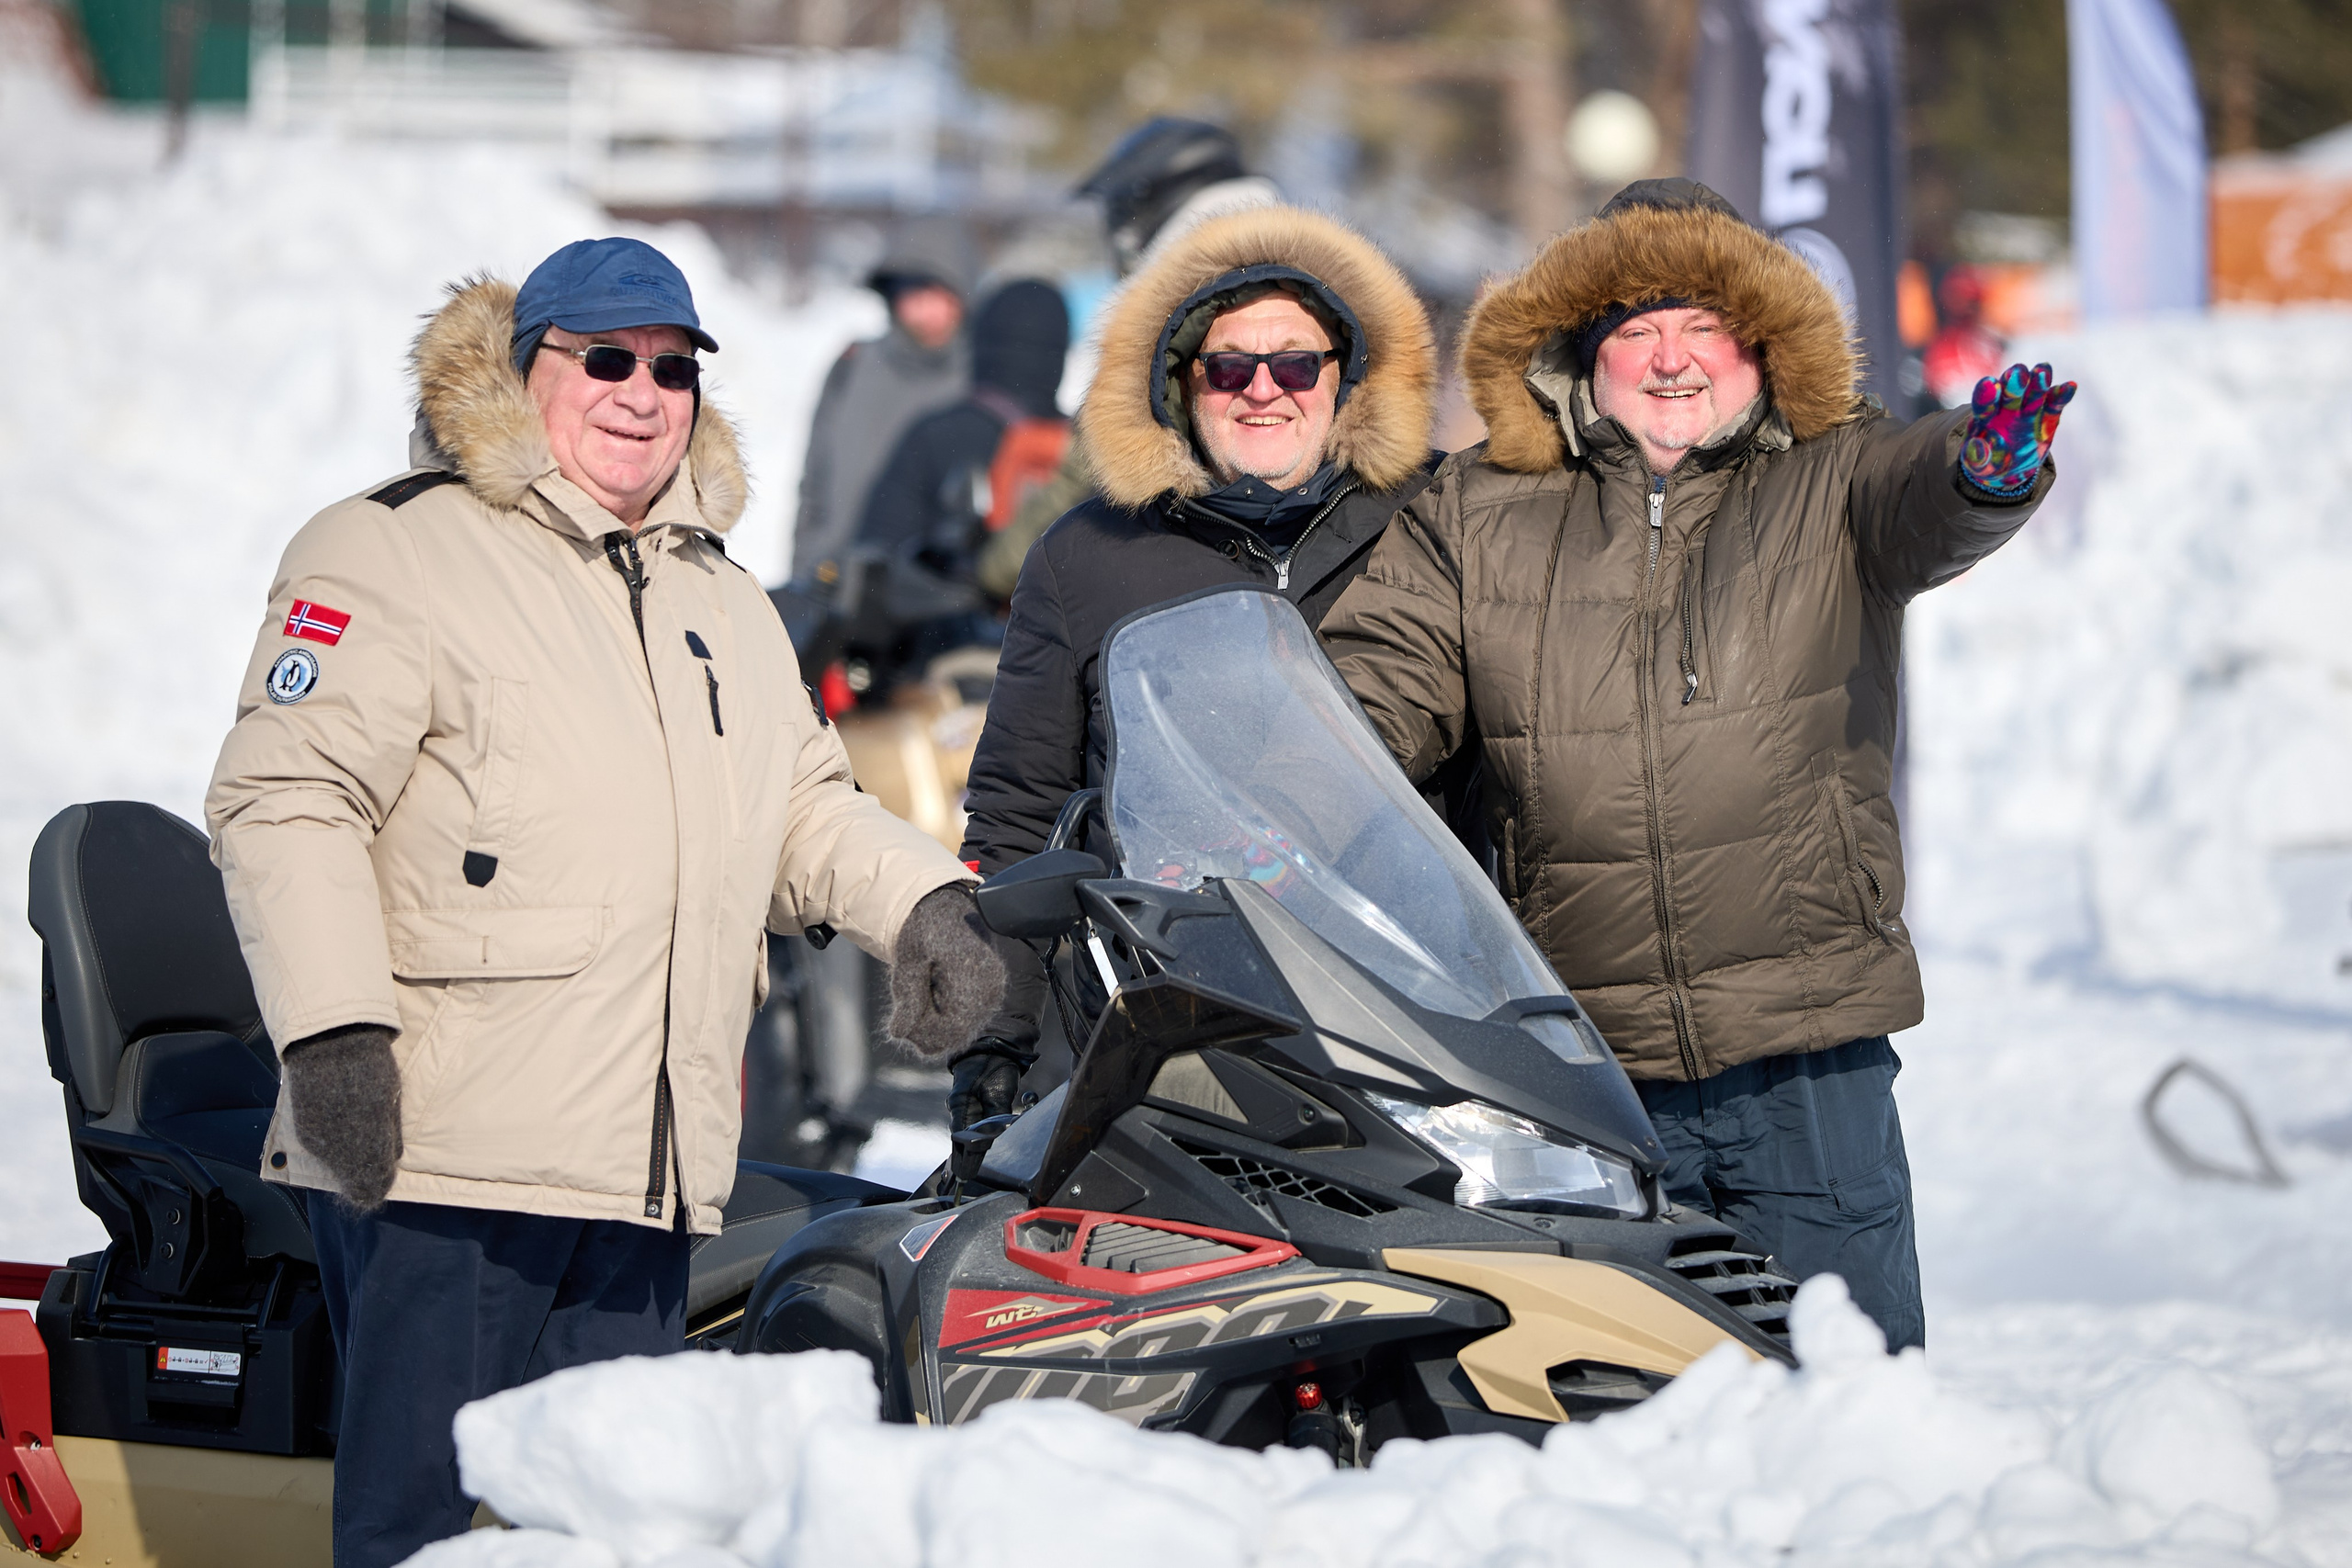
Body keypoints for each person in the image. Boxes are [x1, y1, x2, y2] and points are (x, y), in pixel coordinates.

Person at [205, 237, 1003, 1567]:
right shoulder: (395, 549)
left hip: (646, 1168)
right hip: (444, 1161)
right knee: (426, 1532)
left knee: (608, 1537)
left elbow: (805, 802)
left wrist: (926, 906)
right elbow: (286, 799)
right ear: (528, 373)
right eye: (606, 359)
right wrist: (335, 1033)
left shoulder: (721, 596)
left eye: (675, 367)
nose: (643, 391)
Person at [1319, 180, 2076, 1352]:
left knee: (1848, 1408)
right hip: (1584, 1079)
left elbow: (1928, 495)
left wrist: (1986, 468)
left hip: (1805, 1066)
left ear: (1758, 344)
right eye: (1634, 329)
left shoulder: (1836, 475)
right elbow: (1376, 691)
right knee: (1626, 1428)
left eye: (1702, 325)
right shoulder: (1477, 511)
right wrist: (1294, 766)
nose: (1671, 359)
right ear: (1583, 356)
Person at [949, 206, 1439, 1129]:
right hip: (1174, 1039)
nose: (1264, 390)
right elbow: (1017, 814)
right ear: (1181, 385)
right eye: (1228, 367)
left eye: (1295, 364)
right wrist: (990, 1044)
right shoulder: (1087, 554)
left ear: (1347, 379)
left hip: (1416, 1031)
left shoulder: (1439, 516)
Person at [974, 118, 1283, 600]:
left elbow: (1085, 480)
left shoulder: (1164, 316)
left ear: (1147, 209)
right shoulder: (1305, 278)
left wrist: (988, 573)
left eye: (1119, 213)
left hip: (1185, 591)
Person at [854, 276, 1071, 575]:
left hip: (950, 618)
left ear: (983, 341)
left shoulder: (936, 434)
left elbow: (875, 556)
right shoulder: (1081, 448)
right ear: (1058, 350)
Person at [792, 228, 971, 581]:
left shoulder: (978, 380)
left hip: (933, 594)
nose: (923, 307)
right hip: (836, 575)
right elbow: (816, 478)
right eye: (910, 291)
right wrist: (805, 565)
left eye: (935, 291)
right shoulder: (855, 364)